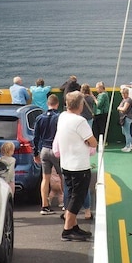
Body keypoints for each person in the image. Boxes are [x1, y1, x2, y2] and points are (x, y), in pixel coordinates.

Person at [55, 91, 97, 241]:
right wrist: (87, 142)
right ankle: (67, 230)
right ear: (80, 105)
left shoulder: (62, 117)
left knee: (72, 195)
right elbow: (93, 142)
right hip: (79, 166)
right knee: (77, 198)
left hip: (66, 164)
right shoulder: (80, 121)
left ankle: (74, 227)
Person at [33, 94, 62, 215]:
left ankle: (45, 206)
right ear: (57, 104)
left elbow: (36, 137)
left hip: (44, 150)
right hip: (56, 150)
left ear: (47, 104)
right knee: (63, 177)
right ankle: (65, 204)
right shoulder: (60, 117)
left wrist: (35, 153)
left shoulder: (40, 118)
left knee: (45, 179)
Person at [117, 87, 132, 151]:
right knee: (125, 132)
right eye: (122, 94)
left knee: (127, 132)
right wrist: (120, 108)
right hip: (124, 118)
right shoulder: (124, 100)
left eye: (123, 93)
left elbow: (124, 109)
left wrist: (119, 108)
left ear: (127, 93)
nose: (122, 95)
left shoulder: (128, 100)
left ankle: (128, 147)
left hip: (127, 118)